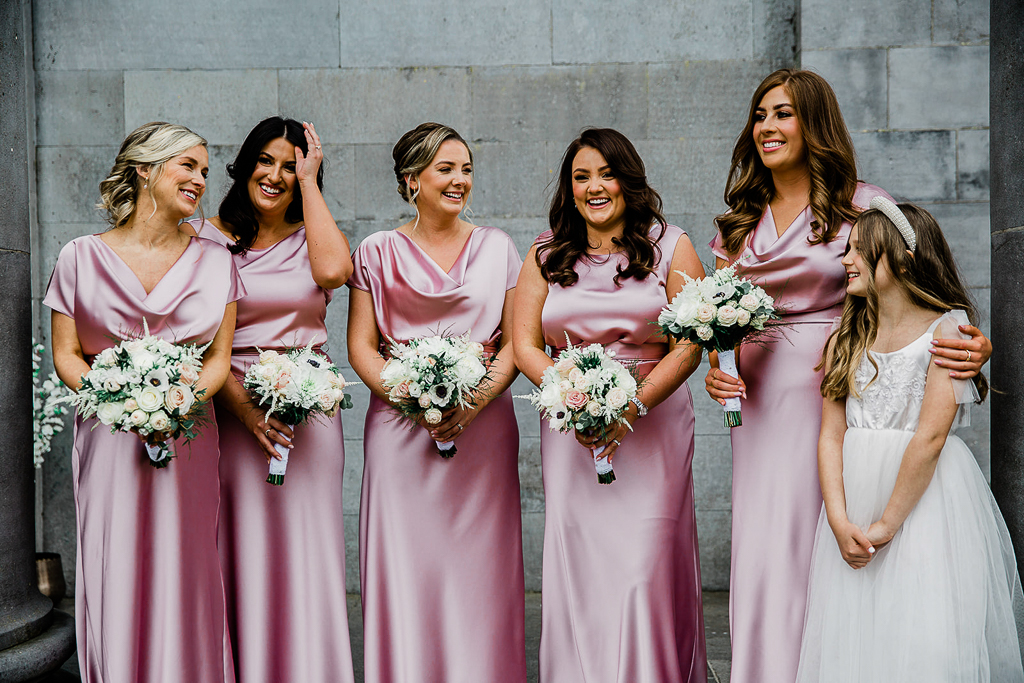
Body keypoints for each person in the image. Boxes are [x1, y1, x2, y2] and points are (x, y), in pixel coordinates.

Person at [703, 69, 993, 683]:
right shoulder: (739, 221)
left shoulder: (862, 205)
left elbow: (922, 289)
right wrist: (715, 369)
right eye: (760, 115)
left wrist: (973, 344)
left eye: (783, 114)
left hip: (834, 387)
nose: (768, 127)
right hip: (756, 405)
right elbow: (715, 319)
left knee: (829, 538)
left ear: (814, 124)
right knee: (766, 543)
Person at [796, 199, 1023, 681]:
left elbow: (931, 436)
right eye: (846, 250)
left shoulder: (946, 329)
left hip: (923, 501)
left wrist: (886, 525)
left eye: (859, 250)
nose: (846, 260)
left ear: (900, 258)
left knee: (924, 629)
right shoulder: (845, 337)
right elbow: (831, 434)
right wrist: (839, 520)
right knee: (858, 631)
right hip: (855, 496)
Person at [46, 122, 241, 682]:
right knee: (118, 565)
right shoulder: (79, 257)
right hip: (110, 441)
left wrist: (174, 405)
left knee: (188, 567)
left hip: (188, 437)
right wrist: (124, 407)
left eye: (205, 171)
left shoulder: (216, 261)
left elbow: (218, 362)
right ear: (145, 169)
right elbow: (68, 356)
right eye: (189, 167)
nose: (200, 180)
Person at [513, 127, 707, 682]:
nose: (594, 187)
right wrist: (573, 395)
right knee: (583, 569)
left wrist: (629, 406)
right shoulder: (545, 254)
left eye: (606, 173)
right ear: (568, 188)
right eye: (581, 177)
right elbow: (525, 342)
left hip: (653, 425)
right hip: (571, 429)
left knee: (643, 569)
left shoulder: (673, 246)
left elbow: (690, 343)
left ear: (629, 180)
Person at [346, 122, 527, 683]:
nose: (460, 180)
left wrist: (472, 402)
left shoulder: (499, 247)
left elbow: (517, 342)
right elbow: (360, 346)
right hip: (399, 434)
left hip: (483, 427)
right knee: (409, 566)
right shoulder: (375, 251)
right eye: (445, 169)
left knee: (480, 572)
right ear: (411, 180)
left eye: (466, 169)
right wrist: (412, 395)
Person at [188, 116, 356, 682]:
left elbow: (335, 271)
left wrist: (310, 186)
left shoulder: (317, 234)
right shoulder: (207, 236)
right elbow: (198, 333)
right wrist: (241, 407)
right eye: (266, 160)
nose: (276, 174)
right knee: (239, 547)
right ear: (245, 162)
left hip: (308, 414)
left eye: (291, 164)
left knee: (307, 549)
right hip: (231, 407)